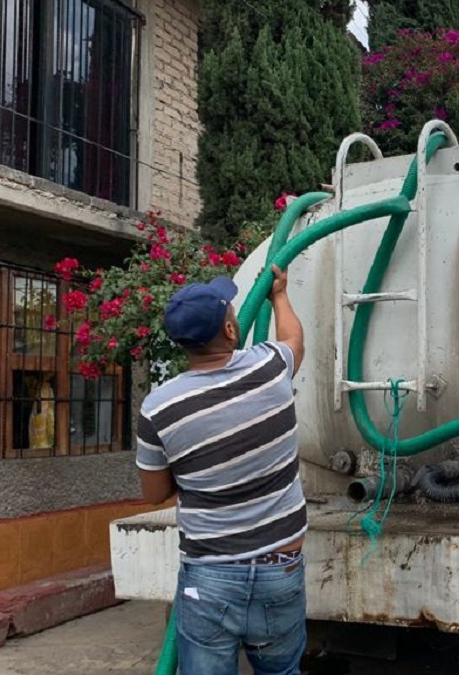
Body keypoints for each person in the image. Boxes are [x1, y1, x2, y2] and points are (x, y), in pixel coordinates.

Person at [135, 265, 307, 675]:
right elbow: (294, 340)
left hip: (208, 578)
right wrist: (279, 296)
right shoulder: (269, 369)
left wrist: (198, 467)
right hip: (279, 568)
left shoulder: (158, 408)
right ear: (231, 331)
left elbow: (154, 493)